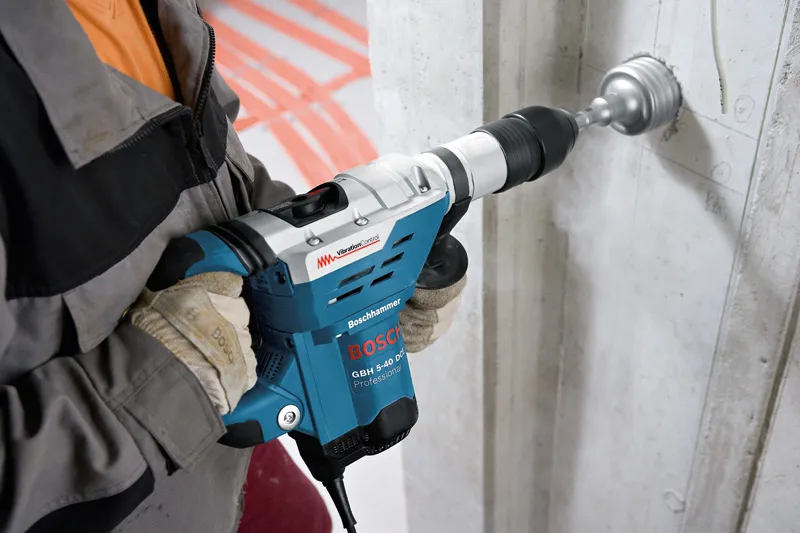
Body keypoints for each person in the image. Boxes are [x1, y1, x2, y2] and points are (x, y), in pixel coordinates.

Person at [0, 1, 465, 532]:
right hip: (128, 501)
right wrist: (167, 381)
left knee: (305, 521)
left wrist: (336, 265)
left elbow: (211, 173)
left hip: (226, 456)